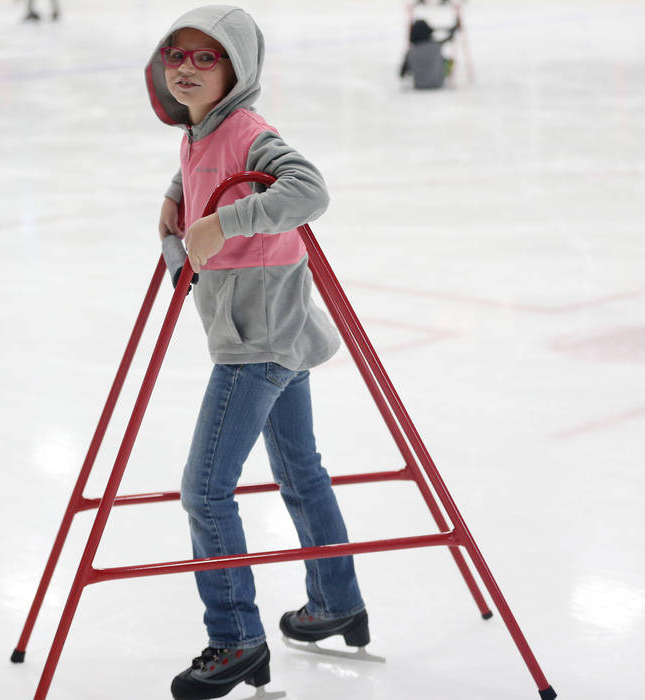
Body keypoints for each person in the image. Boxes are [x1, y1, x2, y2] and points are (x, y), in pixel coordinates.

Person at [146, 6, 368, 699]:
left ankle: (235, 638)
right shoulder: (200, 131)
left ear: (236, 70)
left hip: (258, 342)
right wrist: (174, 199)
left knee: (205, 489)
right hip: (266, 329)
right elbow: (204, 177)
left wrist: (222, 222)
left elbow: (309, 190)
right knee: (300, 470)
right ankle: (337, 600)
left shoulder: (247, 130)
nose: (185, 67)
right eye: (176, 55)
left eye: (205, 58)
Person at [400, 17, 459, 89]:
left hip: (419, 85)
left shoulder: (411, 52)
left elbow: (402, 73)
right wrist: (454, 29)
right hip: (438, 83)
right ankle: (445, 74)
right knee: (448, 61)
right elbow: (449, 38)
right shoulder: (436, 46)